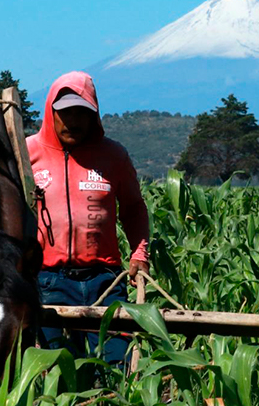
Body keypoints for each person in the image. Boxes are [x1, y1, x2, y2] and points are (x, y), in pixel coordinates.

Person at [26, 71, 150, 367]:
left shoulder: (113, 155)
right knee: (52, 372)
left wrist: (140, 253)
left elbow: (133, 207)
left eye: (82, 113)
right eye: (65, 113)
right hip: (46, 280)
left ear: (94, 115)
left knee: (114, 368)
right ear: (50, 112)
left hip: (104, 280)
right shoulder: (27, 153)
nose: (73, 121)